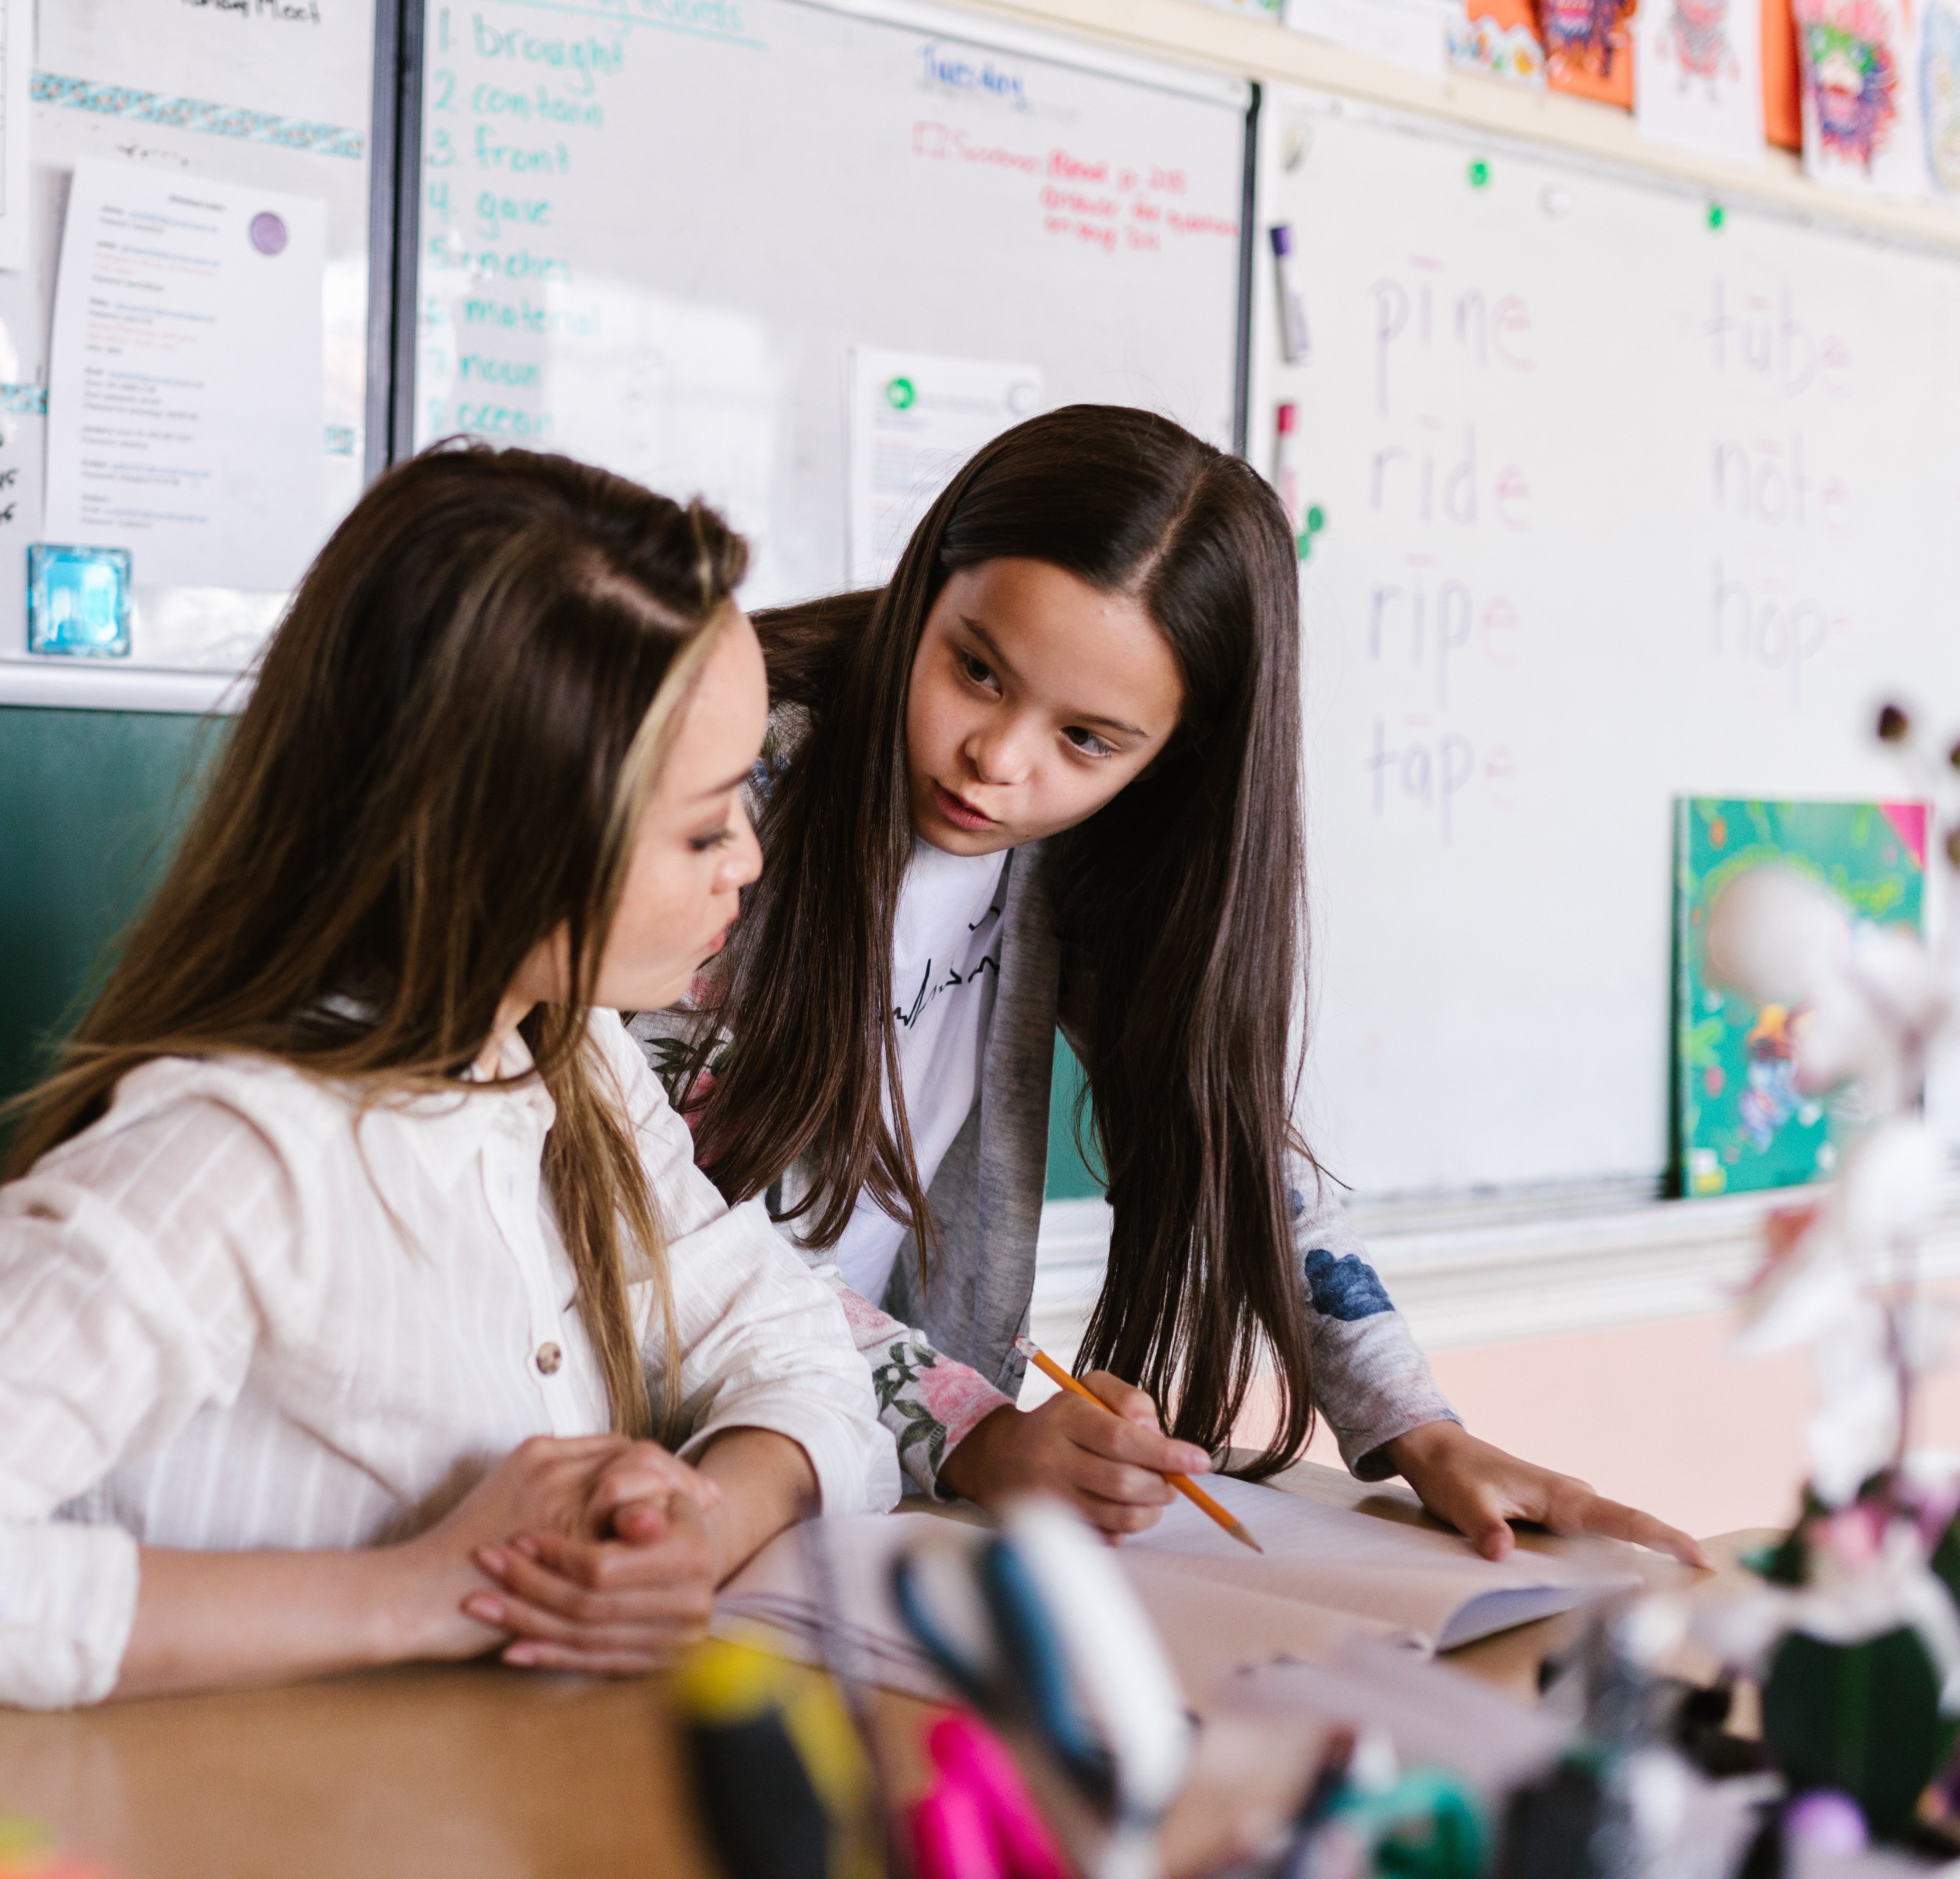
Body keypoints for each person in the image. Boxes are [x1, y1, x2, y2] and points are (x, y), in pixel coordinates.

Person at [0, 443, 899, 1716]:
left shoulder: (571, 1061)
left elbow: (795, 1345)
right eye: (702, 822)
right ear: (508, 837)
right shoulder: (234, 1153)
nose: (750, 856)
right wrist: (429, 1588)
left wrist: (695, 1520)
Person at [646, 404, 1708, 1567]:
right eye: (977, 669)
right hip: (649, 1424)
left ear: (1171, 757)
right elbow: (666, 1213)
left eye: (1089, 739)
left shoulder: (1079, 852)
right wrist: (975, 1431)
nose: (998, 759)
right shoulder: (734, 795)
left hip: (838, 1464)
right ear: (926, 583)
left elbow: (1223, 1137)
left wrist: (1415, 1427)